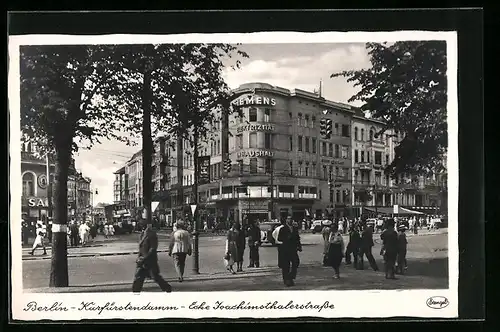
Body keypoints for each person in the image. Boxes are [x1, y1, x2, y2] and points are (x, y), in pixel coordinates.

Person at [132, 220, 172, 293]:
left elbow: (153, 248)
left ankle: (167, 289)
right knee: (138, 277)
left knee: (155, 277)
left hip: (150, 260)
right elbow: (141, 248)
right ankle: (135, 292)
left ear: (144, 225)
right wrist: (139, 258)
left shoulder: (151, 234)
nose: (139, 226)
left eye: (140, 224)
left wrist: (145, 258)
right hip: (142, 261)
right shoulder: (142, 234)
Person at [276, 216, 302, 287]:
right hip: (285, 249)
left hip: (293, 249)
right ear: (286, 220)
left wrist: (299, 246)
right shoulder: (282, 229)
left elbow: (297, 238)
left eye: (291, 219)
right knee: (286, 266)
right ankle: (287, 280)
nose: (290, 220)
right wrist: (286, 238)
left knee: (296, 263)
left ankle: (291, 276)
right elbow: (279, 238)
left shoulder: (294, 228)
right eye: (288, 219)